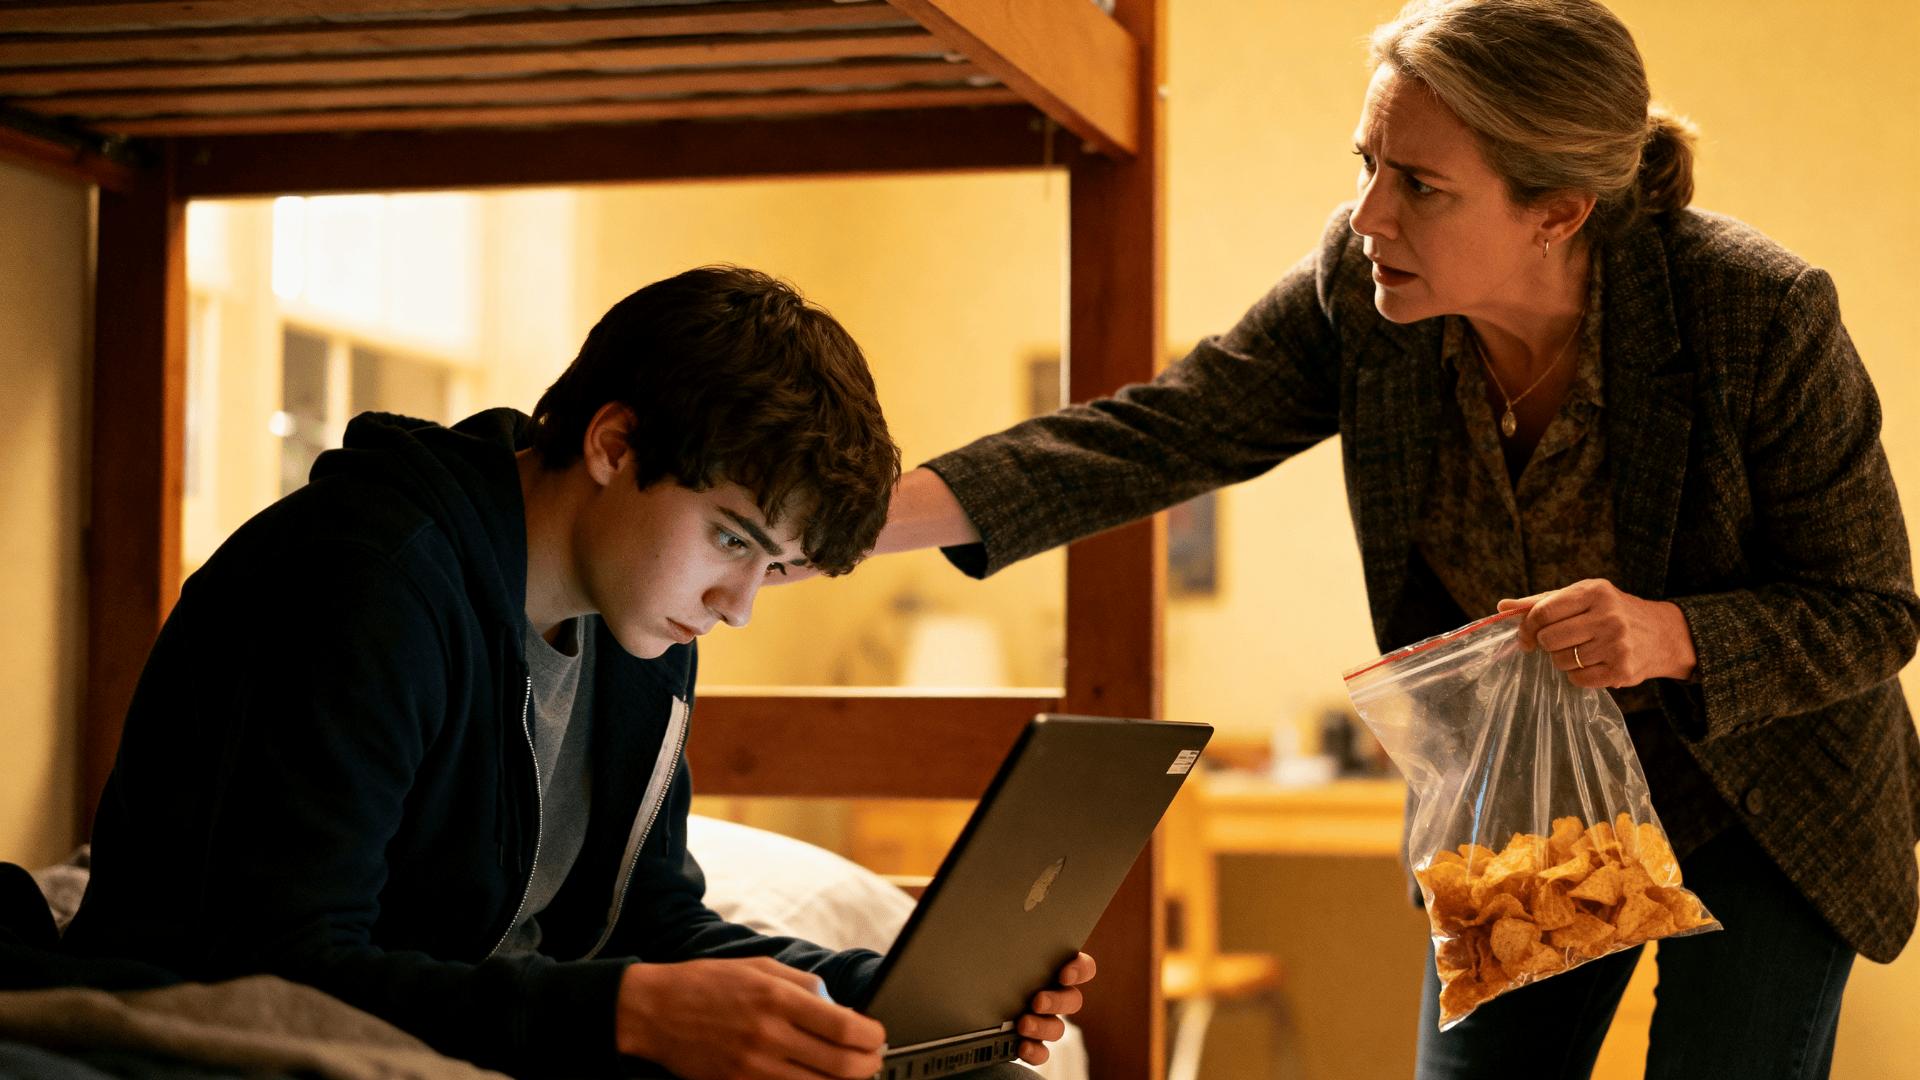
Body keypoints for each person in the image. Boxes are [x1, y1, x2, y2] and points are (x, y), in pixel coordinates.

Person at [846, 2, 1920, 1077]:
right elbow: (1164, 431)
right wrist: (852, 521)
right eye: (1367, 163)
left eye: (1421, 186)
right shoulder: (1364, 302)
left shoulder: (1754, 312)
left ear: (1556, 212)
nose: (1368, 215)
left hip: (1766, 791)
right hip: (1531, 784)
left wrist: (1669, 634)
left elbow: (1871, 611)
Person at [64, 266, 1093, 1080]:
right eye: (732, 539)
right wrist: (621, 1013)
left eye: (774, 567)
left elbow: (648, 923)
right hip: (215, 1028)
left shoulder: (637, 620)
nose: (738, 605)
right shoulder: (366, 581)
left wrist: (885, 993)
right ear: (613, 443)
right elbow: (275, 967)